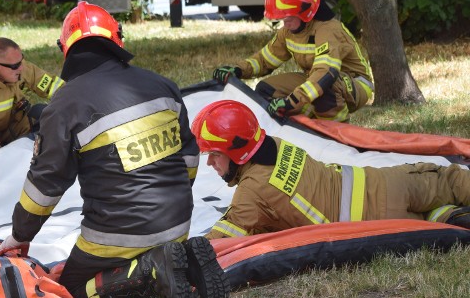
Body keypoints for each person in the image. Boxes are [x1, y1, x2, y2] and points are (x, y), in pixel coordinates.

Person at [0, 2, 229, 298]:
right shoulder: (162, 84)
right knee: (144, 250)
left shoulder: (64, 105)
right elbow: (189, 156)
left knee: (72, 292)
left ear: (67, 49)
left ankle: (148, 271)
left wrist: (20, 235)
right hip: (179, 221)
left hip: (118, 235)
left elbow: (45, 186)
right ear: (118, 40)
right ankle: (186, 262)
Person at [191, 99, 470, 239]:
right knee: (452, 180)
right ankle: (449, 214)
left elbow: (217, 242)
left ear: (238, 152)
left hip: (379, 225)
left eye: (214, 155)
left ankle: (448, 217)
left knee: (434, 219)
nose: (210, 163)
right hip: (391, 183)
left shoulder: (251, 194)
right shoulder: (275, 143)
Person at [212, 0, 374, 123]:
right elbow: (265, 59)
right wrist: (238, 70)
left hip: (354, 84)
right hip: (317, 78)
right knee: (265, 90)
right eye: (282, 18)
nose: (285, 23)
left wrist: (293, 101)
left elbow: (326, 72)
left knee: (324, 88)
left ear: (305, 13)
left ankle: (338, 133)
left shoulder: (328, 29)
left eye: (288, 18)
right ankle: (302, 126)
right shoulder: (288, 32)